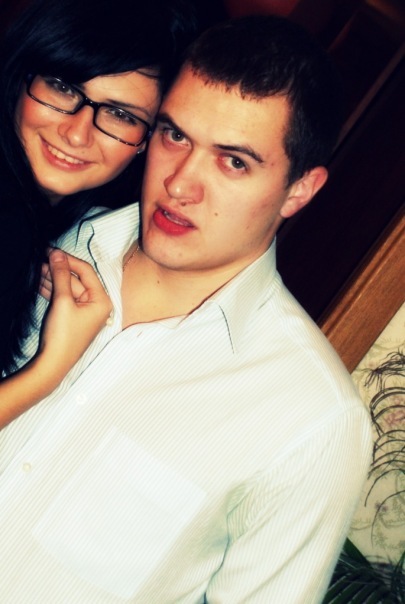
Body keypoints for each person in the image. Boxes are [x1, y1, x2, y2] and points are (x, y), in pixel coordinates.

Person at [0, 15, 372, 602]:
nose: (180, 184)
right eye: (175, 136)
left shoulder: (312, 420)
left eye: (234, 161)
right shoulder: (46, 238)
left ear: (300, 189)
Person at [0, 0, 197, 377]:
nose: (77, 134)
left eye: (120, 115)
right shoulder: (11, 224)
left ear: (148, 140)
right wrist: (49, 369)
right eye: (63, 88)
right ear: (23, 74)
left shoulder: (77, 227)